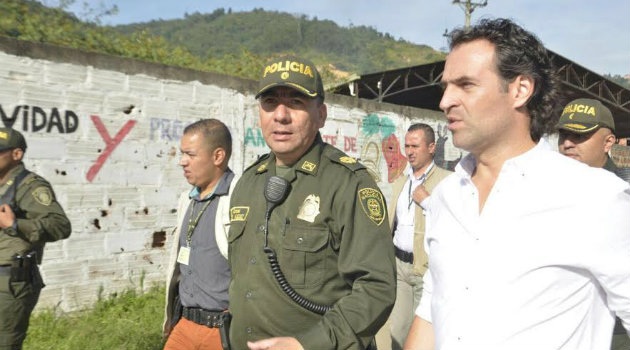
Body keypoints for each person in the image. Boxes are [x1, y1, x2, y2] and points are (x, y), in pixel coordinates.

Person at [404, 18, 630, 350]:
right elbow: (433, 309)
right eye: (446, 86)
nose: (445, 101)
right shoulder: (447, 197)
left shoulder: (595, 198)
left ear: (520, 90)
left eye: (465, 85)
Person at [228, 55, 396, 350]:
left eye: (295, 102)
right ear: (259, 114)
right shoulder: (248, 182)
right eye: (270, 103)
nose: (280, 115)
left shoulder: (349, 184)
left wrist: (309, 344)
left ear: (321, 115)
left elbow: (376, 288)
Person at [557, 99, 630, 350]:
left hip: (612, 334)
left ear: (608, 142)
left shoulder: (623, 195)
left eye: (579, 135)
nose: (567, 143)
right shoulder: (548, 191)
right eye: (564, 135)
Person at [163, 119, 237, 350]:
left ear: (218, 156)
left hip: (222, 330)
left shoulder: (238, 197)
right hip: (184, 324)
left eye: (190, 154)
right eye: (183, 153)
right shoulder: (187, 199)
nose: (182, 162)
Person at [0, 128, 71, 350]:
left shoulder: (30, 186)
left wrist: (14, 224)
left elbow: (60, 226)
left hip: (10, 280)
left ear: (16, 154)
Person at [386, 123, 450, 350]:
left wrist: (428, 202)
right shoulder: (401, 182)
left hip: (427, 270)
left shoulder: (446, 182)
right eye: (407, 146)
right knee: (396, 332)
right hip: (399, 267)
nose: (409, 152)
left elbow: (455, 222)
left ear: (432, 147)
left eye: (415, 146)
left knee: (425, 337)